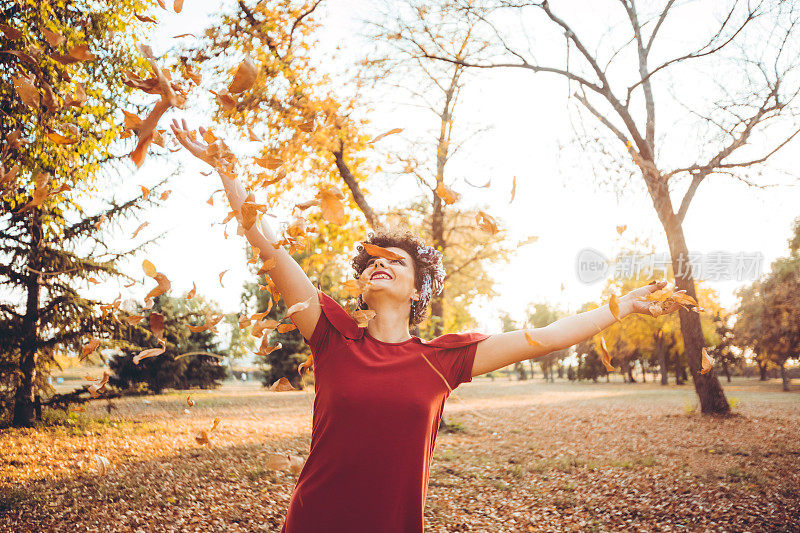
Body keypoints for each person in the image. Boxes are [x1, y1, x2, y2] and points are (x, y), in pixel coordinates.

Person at [170, 119, 679, 532]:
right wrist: (226, 169)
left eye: (396, 260)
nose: (380, 263)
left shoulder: (444, 360)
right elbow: (269, 245)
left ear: (418, 290)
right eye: (371, 260)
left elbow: (542, 338)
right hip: (313, 522)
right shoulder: (330, 333)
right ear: (362, 281)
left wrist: (622, 306)